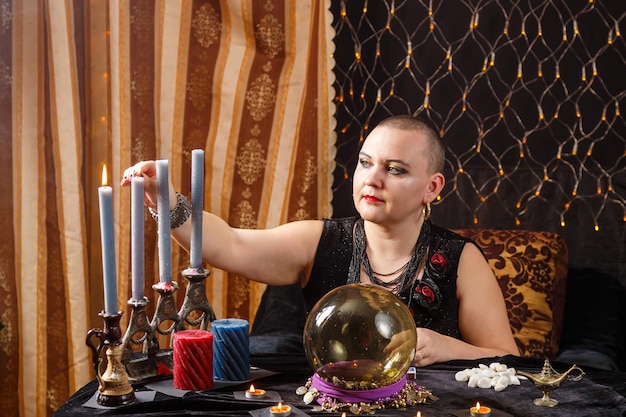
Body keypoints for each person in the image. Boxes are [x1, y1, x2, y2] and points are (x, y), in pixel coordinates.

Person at [121, 115, 520, 366]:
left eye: (395, 169)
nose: (372, 179)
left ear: (432, 187)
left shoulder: (460, 258)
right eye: (365, 163)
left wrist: (448, 348)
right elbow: (229, 245)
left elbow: (511, 359)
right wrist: (166, 198)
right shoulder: (318, 239)